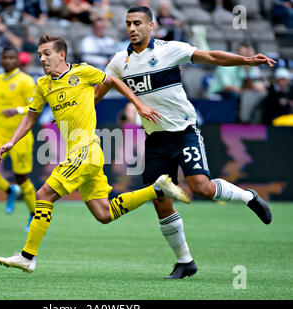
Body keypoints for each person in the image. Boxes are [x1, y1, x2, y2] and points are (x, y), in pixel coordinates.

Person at [95, 6, 274, 279]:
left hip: (184, 131)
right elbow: (99, 91)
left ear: (151, 26)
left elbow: (211, 56)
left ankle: (248, 197)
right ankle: (185, 262)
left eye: (138, 23)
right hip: (155, 138)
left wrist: (246, 61)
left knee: (200, 186)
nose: (132, 28)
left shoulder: (170, 49)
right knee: (161, 200)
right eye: (128, 23)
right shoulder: (120, 61)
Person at [0, 33, 189, 273]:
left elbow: (113, 81)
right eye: (39, 55)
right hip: (82, 154)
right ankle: (157, 189)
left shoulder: (83, 72)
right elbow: (31, 116)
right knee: (104, 214)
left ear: (61, 54)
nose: (42, 59)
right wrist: (12, 141)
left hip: (86, 151)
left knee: (44, 194)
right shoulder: (43, 84)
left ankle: (27, 256)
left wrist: (139, 105)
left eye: (47, 54)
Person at [0, 46, 36, 231]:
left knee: (22, 178)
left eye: (12, 58)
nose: (8, 61)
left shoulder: (26, 81)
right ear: (1, 60)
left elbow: (35, 106)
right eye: (5, 57)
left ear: (18, 61)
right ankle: (9, 190)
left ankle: (33, 214)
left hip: (20, 136)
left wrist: (18, 110)